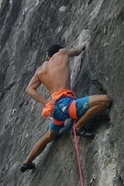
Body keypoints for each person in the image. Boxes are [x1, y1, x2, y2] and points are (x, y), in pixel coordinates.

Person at [20, 44, 111, 172]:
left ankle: (26, 163)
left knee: (49, 136)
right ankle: (78, 127)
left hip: (56, 110)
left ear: (48, 57)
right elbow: (77, 51)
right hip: (67, 104)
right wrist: (83, 46)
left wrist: (46, 103)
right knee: (105, 101)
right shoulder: (62, 53)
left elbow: (29, 89)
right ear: (57, 52)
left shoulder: (40, 70)